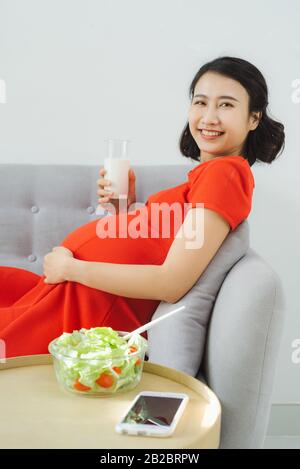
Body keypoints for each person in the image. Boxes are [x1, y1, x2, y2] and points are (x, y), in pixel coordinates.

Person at [0, 56, 285, 358]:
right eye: (201, 103)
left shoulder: (225, 173)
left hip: (82, 312)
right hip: (67, 294)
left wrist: (73, 269)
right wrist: (122, 209)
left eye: (226, 105)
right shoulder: (206, 177)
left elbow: (171, 283)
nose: (209, 117)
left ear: (253, 118)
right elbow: (153, 246)